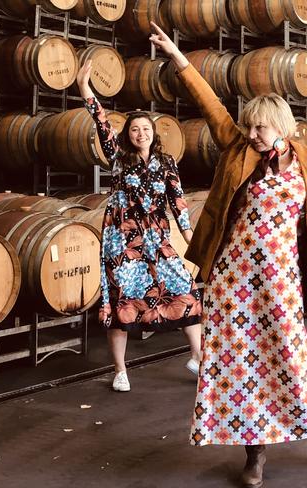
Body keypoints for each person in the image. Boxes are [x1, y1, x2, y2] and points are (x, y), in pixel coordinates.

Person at [149, 22, 307, 488]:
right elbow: (210, 105)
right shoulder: (239, 150)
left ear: (281, 125)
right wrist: (178, 58)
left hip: (280, 279)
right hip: (232, 279)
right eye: (248, 126)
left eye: (259, 126)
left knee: (292, 358)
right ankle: (256, 456)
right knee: (236, 364)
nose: (251, 133)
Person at [76, 60, 203, 392]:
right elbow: (101, 122)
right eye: (135, 129)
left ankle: (197, 357)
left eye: (146, 128)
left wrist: (190, 236)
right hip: (122, 238)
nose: (141, 133)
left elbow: (177, 200)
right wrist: (85, 88)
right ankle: (120, 370)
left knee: (184, 289)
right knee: (123, 300)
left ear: (154, 133)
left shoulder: (166, 162)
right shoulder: (118, 157)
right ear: (128, 135)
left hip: (158, 238)